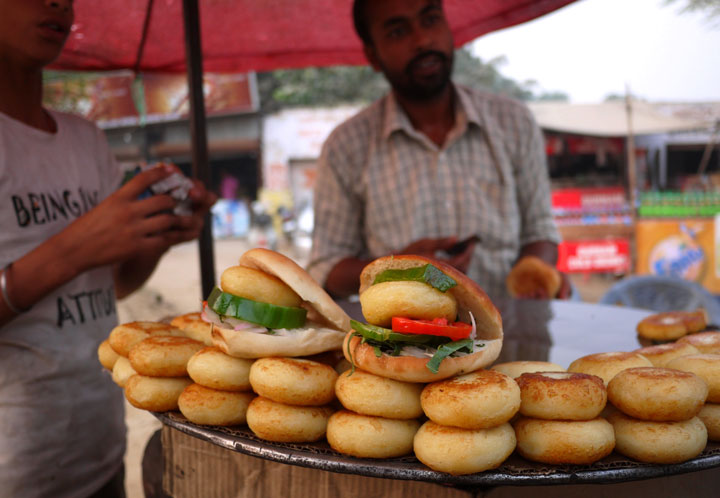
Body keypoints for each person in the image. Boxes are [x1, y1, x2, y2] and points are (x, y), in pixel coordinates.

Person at [0, 1, 216, 497]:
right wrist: (73, 249)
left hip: (100, 449)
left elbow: (113, 283)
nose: (56, 2)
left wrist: (161, 236)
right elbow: (79, 258)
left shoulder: (86, 140)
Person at [308, 0, 571, 300]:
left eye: (431, 19)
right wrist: (397, 268)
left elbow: (540, 233)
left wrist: (535, 273)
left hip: (511, 333)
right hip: (403, 342)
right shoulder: (346, 147)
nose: (422, 40)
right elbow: (326, 269)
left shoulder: (514, 122)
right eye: (397, 32)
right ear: (373, 55)